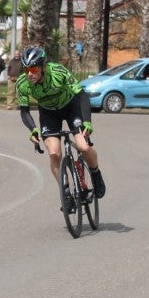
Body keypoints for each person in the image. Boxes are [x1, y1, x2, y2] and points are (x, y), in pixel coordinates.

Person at [16, 46, 105, 200]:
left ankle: (96, 174)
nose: (29, 74)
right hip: (49, 113)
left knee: (84, 147)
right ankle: (65, 191)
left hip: (71, 107)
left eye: (34, 69)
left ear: (43, 67)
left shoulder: (58, 72)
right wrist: (33, 129)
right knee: (54, 153)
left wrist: (87, 122)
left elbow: (82, 95)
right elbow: (24, 111)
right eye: (25, 70)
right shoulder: (22, 83)